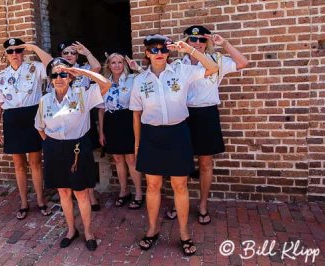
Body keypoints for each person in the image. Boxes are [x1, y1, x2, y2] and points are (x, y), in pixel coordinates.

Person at [129, 34, 218, 256]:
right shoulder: (140, 80)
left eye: (163, 49)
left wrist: (190, 51)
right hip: (151, 136)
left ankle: (185, 233)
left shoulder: (182, 71)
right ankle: (152, 230)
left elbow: (212, 68)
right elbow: (136, 114)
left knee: (180, 186)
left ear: (169, 52)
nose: (160, 54)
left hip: (178, 134)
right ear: (147, 54)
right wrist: (138, 143)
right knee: (152, 186)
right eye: (154, 50)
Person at [28, 42, 111, 250]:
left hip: (78, 148)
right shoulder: (45, 100)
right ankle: (71, 229)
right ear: (50, 79)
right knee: (64, 192)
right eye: (55, 75)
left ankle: (88, 231)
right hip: (54, 148)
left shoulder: (82, 95)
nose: (59, 79)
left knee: (81, 192)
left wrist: (79, 70)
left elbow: (106, 85)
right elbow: (39, 126)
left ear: (70, 77)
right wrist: (51, 143)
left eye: (63, 75)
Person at [165, 26, 249, 225]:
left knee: (205, 163)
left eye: (201, 40)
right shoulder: (177, 65)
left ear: (207, 42)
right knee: (181, 163)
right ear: (186, 41)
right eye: (193, 40)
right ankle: (180, 202)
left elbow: (244, 62)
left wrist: (225, 44)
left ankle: (203, 204)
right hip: (183, 115)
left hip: (206, 115)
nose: (197, 44)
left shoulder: (216, 60)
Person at [0, 38, 52, 220]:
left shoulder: (35, 68)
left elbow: (52, 64)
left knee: (35, 162)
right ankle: (24, 202)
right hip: (12, 119)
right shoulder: (1, 76)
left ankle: (41, 201)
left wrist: (33, 47)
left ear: (23, 53)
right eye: (10, 52)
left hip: (32, 116)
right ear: (6, 54)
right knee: (19, 165)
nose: (15, 55)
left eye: (18, 51)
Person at [57, 40, 102, 211]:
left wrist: (87, 52)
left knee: (85, 160)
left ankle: (90, 197)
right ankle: (67, 196)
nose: (69, 55)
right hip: (63, 121)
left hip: (82, 119)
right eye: (66, 53)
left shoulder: (83, 71)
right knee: (64, 160)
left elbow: (97, 68)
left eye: (73, 53)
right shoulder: (57, 72)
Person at [98, 50, 144, 209]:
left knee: (131, 159)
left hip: (128, 119)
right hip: (111, 121)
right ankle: (124, 191)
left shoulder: (133, 79)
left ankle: (138, 193)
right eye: (113, 62)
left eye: (120, 62)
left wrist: (137, 68)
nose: (117, 65)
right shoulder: (103, 82)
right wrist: (101, 132)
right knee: (117, 159)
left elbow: (148, 79)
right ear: (109, 66)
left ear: (124, 64)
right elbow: (101, 109)